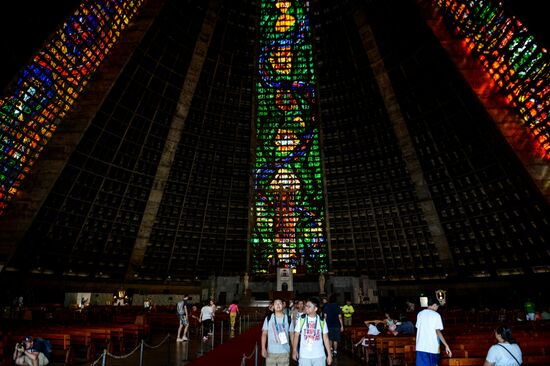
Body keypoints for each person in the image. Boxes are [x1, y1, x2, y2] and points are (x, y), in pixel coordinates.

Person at [292, 297, 333, 366]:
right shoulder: (301, 319)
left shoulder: (321, 321)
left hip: (319, 355)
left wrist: (329, 354)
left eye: (309, 306)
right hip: (304, 356)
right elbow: (296, 335)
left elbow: (326, 338)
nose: (306, 308)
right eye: (306, 306)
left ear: (315, 309)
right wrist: (294, 350)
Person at [415, 296, 451, 366]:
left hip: (420, 347)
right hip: (432, 347)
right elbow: (438, 332)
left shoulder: (419, 314)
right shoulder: (436, 315)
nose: (437, 309)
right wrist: (446, 345)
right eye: (437, 306)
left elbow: (418, 328)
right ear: (434, 305)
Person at [261, 298, 291, 366]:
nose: (278, 305)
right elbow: (264, 334)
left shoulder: (288, 319)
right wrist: (263, 348)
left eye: (280, 303)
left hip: (284, 352)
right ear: (273, 306)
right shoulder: (268, 318)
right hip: (271, 352)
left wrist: (293, 349)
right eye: (276, 303)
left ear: (283, 305)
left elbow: (292, 334)